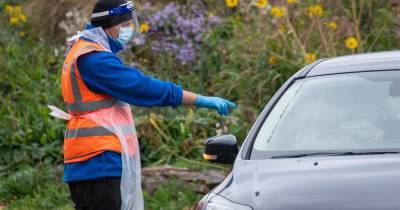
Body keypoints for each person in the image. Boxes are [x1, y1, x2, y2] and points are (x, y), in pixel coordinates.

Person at [55, 0, 236, 209]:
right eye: (125, 23)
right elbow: (142, 87)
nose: (128, 29)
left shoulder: (86, 50)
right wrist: (199, 99)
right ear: (112, 23)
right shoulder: (95, 59)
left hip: (93, 162)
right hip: (97, 162)